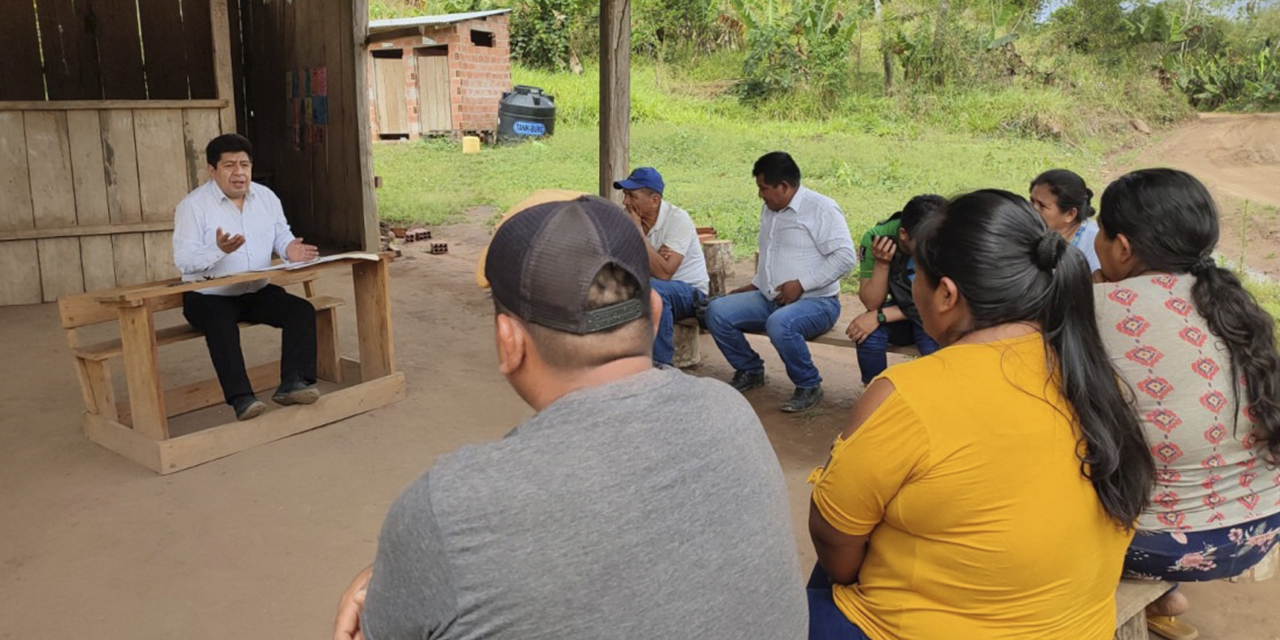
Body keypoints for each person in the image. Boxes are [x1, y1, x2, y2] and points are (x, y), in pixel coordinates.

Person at [333, 196, 806, 640]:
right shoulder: (731, 415)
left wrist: (406, 564)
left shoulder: (449, 507)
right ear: (656, 312)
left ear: (508, 341)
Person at [807, 190, 1155, 640]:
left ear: (946, 294)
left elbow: (836, 546)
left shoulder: (909, 395)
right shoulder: (1096, 380)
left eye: (918, 275)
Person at [1093, 168, 1280, 640]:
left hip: (1160, 547)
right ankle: (1165, 596)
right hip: (1264, 526)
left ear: (1122, 247)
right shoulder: (1233, 304)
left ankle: (1149, 591)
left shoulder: (1094, 306)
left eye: (1101, 231)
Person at [173, 134, 321, 421]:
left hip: (254, 291)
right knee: (221, 325)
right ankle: (242, 399)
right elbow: (184, 260)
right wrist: (217, 250)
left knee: (301, 311)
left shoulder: (266, 197)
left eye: (244, 164)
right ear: (212, 170)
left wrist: (291, 249)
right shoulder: (192, 207)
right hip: (208, 296)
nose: (239, 173)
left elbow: (282, 234)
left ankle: (294, 383)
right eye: (229, 165)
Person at [705, 152, 856, 413]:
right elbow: (773, 255)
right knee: (717, 310)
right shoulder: (771, 210)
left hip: (817, 303)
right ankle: (749, 369)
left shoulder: (821, 208)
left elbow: (846, 257)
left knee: (780, 323)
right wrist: (755, 284)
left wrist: (802, 284)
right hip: (770, 298)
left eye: (764, 188)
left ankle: (809, 384)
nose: (760, 195)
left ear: (784, 187)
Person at [613, 167, 710, 367]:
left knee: (653, 290)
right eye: (625, 195)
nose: (625, 202)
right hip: (650, 286)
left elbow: (664, 273)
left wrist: (638, 234)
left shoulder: (677, 219)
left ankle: (660, 365)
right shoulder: (627, 219)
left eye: (632, 196)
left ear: (655, 200)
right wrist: (654, 257)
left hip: (690, 293)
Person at [846, 195, 945, 385]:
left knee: (932, 344)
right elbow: (871, 302)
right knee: (868, 337)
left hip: (936, 311)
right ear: (903, 235)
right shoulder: (878, 238)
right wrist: (882, 264)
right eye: (923, 245)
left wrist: (881, 316)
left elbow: (941, 302)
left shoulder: (949, 239)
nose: (930, 250)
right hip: (908, 308)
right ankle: (875, 397)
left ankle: (938, 402)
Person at [1030, 168, 1102, 274]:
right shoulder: (1024, 229)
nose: (1032, 209)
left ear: (1070, 214)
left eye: (1042, 206)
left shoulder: (1094, 247)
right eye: (1031, 201)